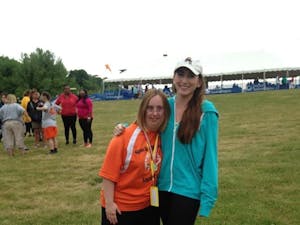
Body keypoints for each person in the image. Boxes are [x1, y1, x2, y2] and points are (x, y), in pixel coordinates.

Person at [114, 57, 219, 225]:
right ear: (174, 78)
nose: (184, 81)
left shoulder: (207, 113)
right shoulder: (165, 106)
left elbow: (210, 158)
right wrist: (124, 128)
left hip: (187, 191)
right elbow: (145, 125)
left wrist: (207, 198)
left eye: (190, 76)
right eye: (180, 74)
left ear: (199, 82)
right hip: (160, 188)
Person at [99, 89, 170, 225]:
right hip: (122, 209)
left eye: (159, 108)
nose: (155, 113)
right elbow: (108, 175)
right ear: (143, 110)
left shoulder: (162, 136)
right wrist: (109, 204)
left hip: (149, 207)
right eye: (150, 108)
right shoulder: (124, 137)